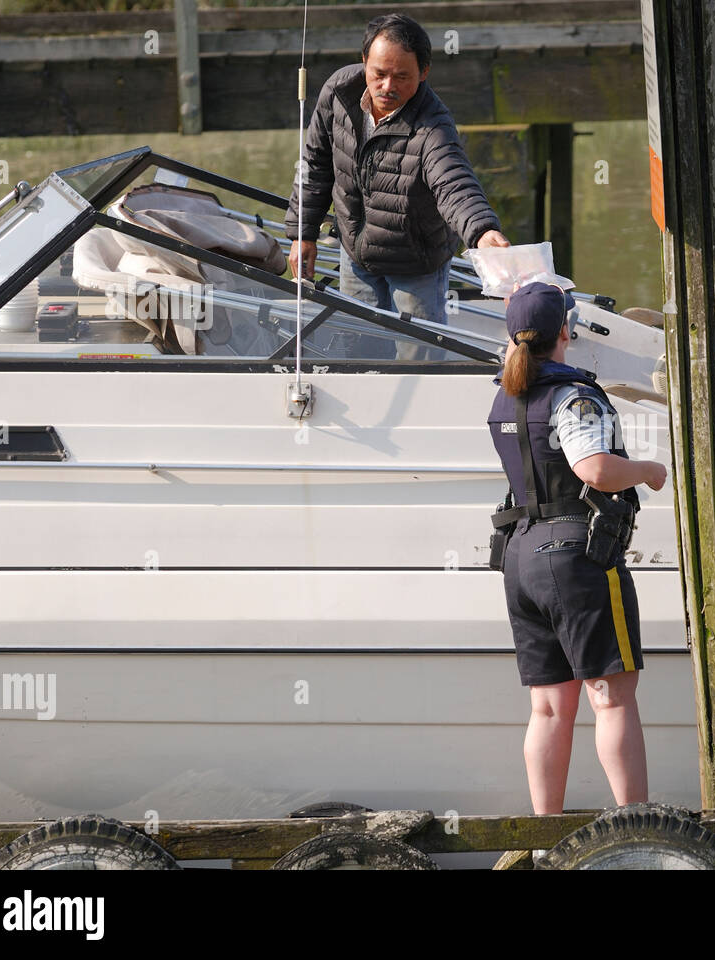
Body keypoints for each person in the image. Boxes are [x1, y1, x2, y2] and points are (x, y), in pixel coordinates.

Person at [486, 281, 667, 817]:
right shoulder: (574, 394)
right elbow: (595, 469)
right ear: (566, 330)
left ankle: (546, 829)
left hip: (520, 558)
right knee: (611, 698)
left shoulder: (506, 395)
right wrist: (649, 471)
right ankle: (636, 825)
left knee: (547, 708)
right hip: (576, 558)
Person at [285, 13, 510, 360]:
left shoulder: (433, 126)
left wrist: (482, 232)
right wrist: (304, 232)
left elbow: (453, 183)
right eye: (379, 74)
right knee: (359, 357)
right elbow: (315, 162)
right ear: (364, 63)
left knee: (419, 362)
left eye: (402, 76)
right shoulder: (338, 92)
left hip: (415, 262)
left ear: (424, 73)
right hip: (356, 254)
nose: (388, 86)